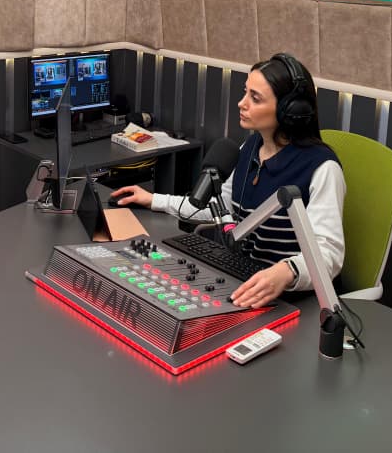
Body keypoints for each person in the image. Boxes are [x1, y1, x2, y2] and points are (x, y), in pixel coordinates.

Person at [112, 53, 345, 309]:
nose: (241, 103)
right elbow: (220, 208)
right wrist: (154, 200)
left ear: (290, 111)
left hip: (291, 300)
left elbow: (329, 255)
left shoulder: (322, 168)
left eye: (255, 98)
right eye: (245, 92)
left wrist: (286, 272)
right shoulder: (249, 149)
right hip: (243, 283)